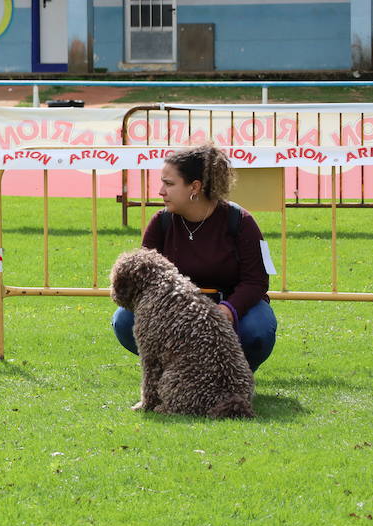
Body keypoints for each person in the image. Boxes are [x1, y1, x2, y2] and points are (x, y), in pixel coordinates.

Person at [111, 145, 278, 371]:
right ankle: (176, 373)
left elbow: (256, 281)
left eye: (169, 184)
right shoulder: (160, 223)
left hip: (229, 305)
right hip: (173, 307)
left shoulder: (240, 220)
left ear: (195, 187)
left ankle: (234, 378)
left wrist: (228, 309)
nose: (161, 191)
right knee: (124, 320)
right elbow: (143, 282)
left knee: (257, 330)